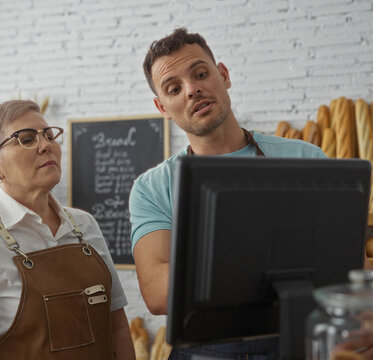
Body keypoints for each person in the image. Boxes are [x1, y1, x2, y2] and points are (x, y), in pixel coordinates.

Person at [129, 28, 328, 360]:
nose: (192, 90)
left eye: (201, 74)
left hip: (299, 343)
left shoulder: (306, 160)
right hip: (204, 351)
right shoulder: (152, 187)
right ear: (162, 106)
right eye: (174, 88)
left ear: (223, 75)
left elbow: (349, 269)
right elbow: (158, 294)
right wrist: (281, 258)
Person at [0, 99, 135, 360]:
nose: (46, 145)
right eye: (26, 139)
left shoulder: (85, 224)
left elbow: (117, 328)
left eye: (49, 135)